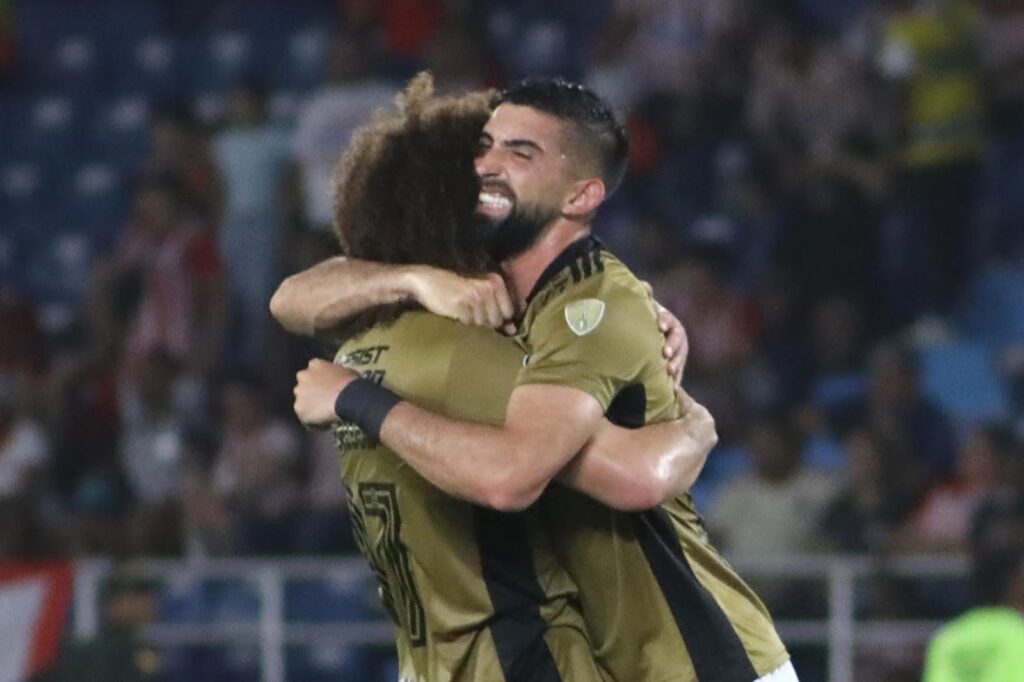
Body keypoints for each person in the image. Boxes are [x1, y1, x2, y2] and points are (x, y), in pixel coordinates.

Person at [285, 77, 793, 681]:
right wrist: (415, 280)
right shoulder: (484, 309)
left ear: (580, 195)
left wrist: (355, 397)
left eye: (520, 154)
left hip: (701, 660)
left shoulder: (593, 305)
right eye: (485, 146)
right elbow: (292, 297)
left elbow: (581, 476)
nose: (489, 165)